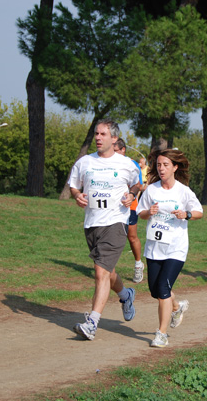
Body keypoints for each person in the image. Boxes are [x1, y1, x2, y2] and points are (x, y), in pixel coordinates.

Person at [69, 119, 140, 340]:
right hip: (92, 224)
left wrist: (132, 194)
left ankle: (92, 323)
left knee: (100, 273)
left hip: (116, 222)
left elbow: (137, 184)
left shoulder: (126, 163)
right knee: (107, 272)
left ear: (114, 139)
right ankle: (126, 294)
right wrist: (77, 195)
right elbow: (74, 185)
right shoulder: (85, 162)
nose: (98, 138)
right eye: (96, 134)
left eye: (103, 134)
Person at [136, 149, 203, 348]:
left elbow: (199, 211)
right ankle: (177, 306)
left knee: (164, 289)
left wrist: (187, 214)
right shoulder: (152, 190)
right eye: (158, 165)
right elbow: (140, 212)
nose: (161, 168)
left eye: (166, 165)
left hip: (176, 248)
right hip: (154, 248)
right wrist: (149, 212)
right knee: (155, 290)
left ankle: (161, 334)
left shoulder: (183, 191)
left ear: (175, 167)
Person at [113, 139, 145, 283]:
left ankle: (138, 264)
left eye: (116, 150)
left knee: (131, 236)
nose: (113, 153)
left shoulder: (132, 164)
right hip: (113, 206)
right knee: (112, 236)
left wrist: (132, 198)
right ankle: (108, 269)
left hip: (130, 205)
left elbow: (139, 185)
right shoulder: (109, 163)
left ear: (123, 150)